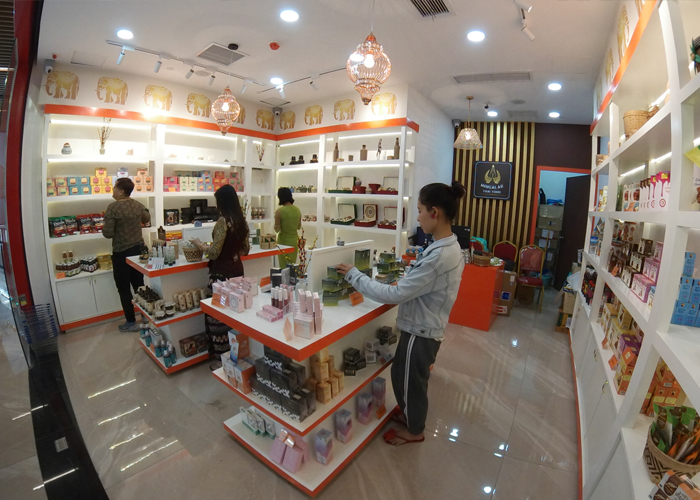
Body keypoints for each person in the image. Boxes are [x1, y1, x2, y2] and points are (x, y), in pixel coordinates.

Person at [335, 181, 466, 446]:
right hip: (420, 325)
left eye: (419, 210)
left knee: (412, 382)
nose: (417, 217)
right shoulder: (446, 246)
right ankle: (409, 415)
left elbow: (394, 295)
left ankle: (415, 430)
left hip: (422, 330)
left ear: (434, 212)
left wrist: (355, 276)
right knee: (402, 375)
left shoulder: (439, 256)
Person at [191, 185, 249, 369]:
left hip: (221, 278)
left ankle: (221, 360)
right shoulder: (241, 221)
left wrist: (199, 245)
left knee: (217, 317)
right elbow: (245, 250)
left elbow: (214, 253)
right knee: (234, 314)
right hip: (237, 274)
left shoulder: (223, 222)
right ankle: (236, 354)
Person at [102, 177, 151, 332]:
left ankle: (131, 322)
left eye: (114, 187)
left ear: (121, 191)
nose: (113, 190)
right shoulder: (137, 205)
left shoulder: (113, 208)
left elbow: (108, 233)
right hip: (138, 251)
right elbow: (147, 218)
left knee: (124, 289)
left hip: (121, 253)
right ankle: (145, 315)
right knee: (139, 285)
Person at [274, 187, 301, 267]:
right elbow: (299, 227)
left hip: (283, 242)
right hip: (294, 241)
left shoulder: (279, 211)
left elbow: (276, 229)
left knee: (284, 267)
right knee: (292, 267)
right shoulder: (297, 210)